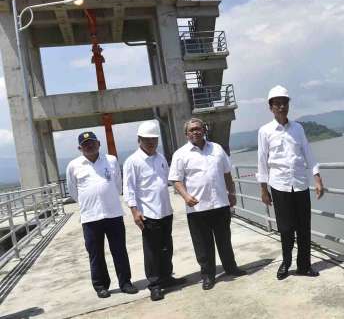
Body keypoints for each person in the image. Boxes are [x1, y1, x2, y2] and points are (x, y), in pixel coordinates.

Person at [168, 118, 246, 290]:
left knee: (224, 239)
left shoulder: (217, 149)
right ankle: (208, 275)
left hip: (220, 203)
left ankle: (231, 267)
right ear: (186, 134)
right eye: (192, 130)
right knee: (203, 244)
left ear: (204, 130)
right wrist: (186, 197)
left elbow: (227, 173)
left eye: (198, 128)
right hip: (197, 207)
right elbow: (176, 180)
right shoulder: (180, 154)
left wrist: (231, 193)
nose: (196, 132)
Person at [257, 85, 325, 280]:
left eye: (284, 103)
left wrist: (317, 177)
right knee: (286, 229)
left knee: (304, 227)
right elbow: (262, 161)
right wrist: (263, 189)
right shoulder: (265, 131)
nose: (281, 107)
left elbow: (308, 154)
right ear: (271, 107)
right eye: (277, 104)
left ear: (288, 105)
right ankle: (286, 263)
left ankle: (304, 265)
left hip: (301, 184)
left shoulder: (298, 128)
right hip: (279, 186)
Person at [66, 131, 138, 298]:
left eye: (92, 142)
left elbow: (118, 185)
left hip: (113, 214)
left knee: (119, 250)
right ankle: (101, 286)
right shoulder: (73, 165)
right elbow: (73, 192)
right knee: (95, 253)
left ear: (99, 143)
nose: (89, 146)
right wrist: (89, 202)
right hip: (90, 217)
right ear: (79, 147)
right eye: (85, 144)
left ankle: (125, 283)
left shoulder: (111, 160)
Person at [123, 120, 183, 301]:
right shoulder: (132, 161)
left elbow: (167, 180)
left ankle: (166, 277)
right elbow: (129, 188)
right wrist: (134, 211)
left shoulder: (160, 157)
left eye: (154, 140)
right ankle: (155, 284)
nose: (151, 143)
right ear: (139, 140)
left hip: (165, 210)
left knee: (167, 247)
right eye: (147, 140)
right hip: (148, 213)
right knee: (152, 251)